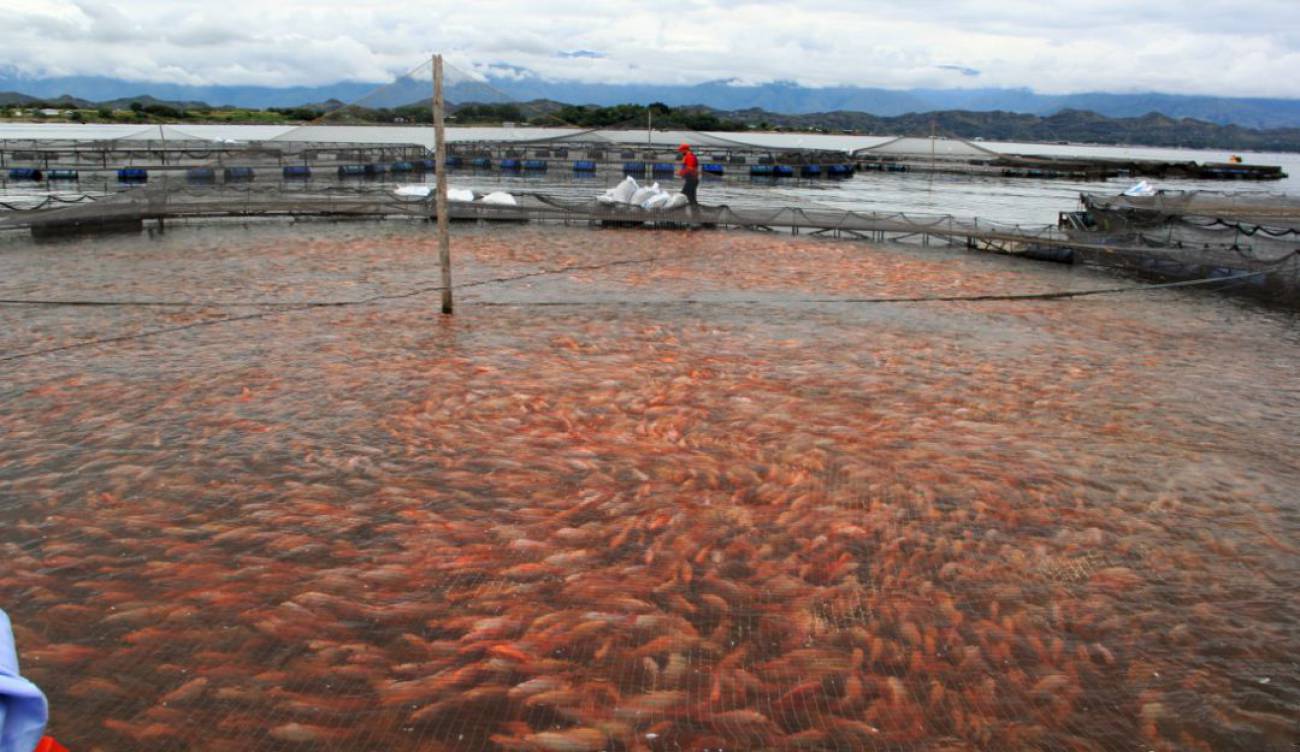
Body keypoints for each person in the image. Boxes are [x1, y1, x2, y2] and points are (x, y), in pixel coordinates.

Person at [676, 143, 699, 209]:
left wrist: (680, 172)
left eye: (681, 150)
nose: (680, 152)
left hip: (692, 180)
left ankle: (677, 211)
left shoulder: (690, 157)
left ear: (685, 150)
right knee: (691, 198)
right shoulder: (688, 156)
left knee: (682, 195)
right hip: (692, 180)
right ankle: (695, 213)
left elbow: (690, 168)